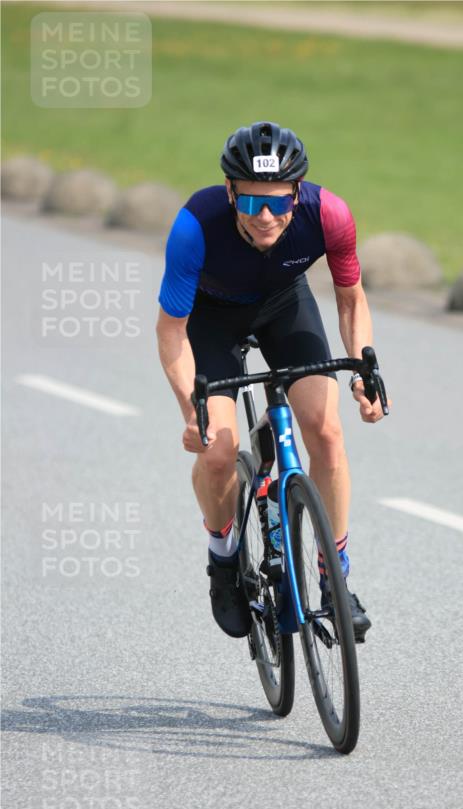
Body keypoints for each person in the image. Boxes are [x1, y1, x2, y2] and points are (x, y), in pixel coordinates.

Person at [156, 120, 388, 642]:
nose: (265, 216)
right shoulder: (196, 224)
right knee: (218, 452)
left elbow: (351, 300)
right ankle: (223, 559)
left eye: (279, 204)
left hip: (285, 304)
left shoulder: (329, 215)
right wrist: (189, 410)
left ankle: (335, 579)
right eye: (252, 203)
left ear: (297, 195)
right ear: (231, 191)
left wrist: (363, 372)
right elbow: (170, 332)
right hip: (212, 321)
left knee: (325, 433)